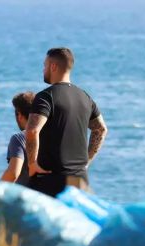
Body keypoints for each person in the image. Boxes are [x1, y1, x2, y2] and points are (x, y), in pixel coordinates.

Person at [25, 47, 107, 197]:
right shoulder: (85, 97)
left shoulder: (45, 96)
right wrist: (86, 161)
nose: (43, 70)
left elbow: (32, 130)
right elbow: (100, 129)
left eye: (45, 65)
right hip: (80, 179)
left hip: (51, 179)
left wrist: (32, 164)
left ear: (53, 66)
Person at [0, 91, 35, 184]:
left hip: (26, 196)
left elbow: (13, 174)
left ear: (19, 114)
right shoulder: (52, 135)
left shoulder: (19, 138)